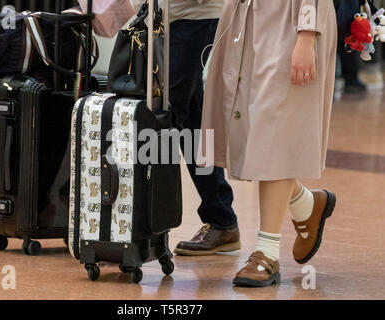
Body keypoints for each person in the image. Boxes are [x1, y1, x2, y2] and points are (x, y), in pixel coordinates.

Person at [200, 0, 337, 287]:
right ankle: (305, 204)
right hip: (245, 17)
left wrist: (307, 33)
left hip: (292, 19)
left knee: (276, 129)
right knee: (254, 133)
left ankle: (267, 252)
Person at [130, 0, 241, 256]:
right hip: (169, 17)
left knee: (164, 121)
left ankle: (146, 227)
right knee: (191, 124)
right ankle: (221, 218)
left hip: (194, 16)